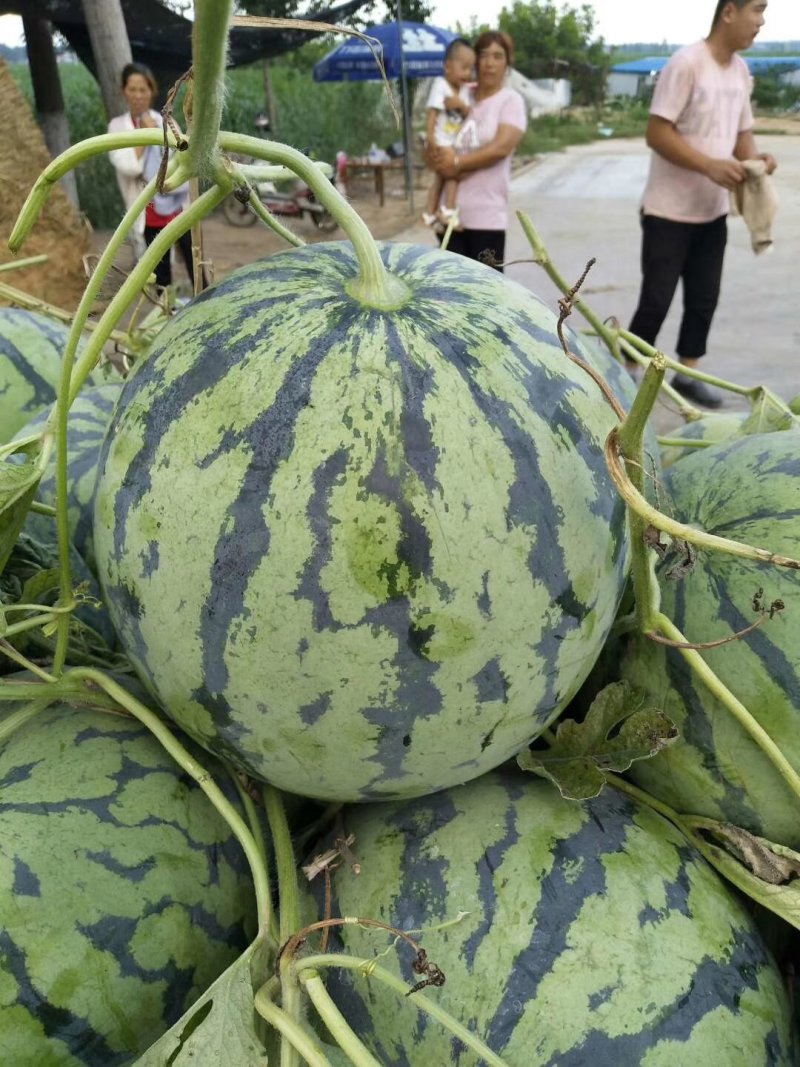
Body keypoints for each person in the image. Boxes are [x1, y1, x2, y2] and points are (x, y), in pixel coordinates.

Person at [627, 0, 777, 408]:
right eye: (758, 10)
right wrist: (709, 165)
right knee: (656, 300)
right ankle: (625, 373)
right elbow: (657, 133)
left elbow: (741, 134)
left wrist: (757, 160)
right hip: (667, 211)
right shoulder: (687, 63)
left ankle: (688, 371)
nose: (761, 22)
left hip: (712, 211)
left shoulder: (740, 72)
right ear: (729, 12)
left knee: (703, 298)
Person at [428, 31, 526, 273]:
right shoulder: (460, 93)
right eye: (483, 55)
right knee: (450, 296)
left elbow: (500, 148)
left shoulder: (510, 101)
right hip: (450, 217)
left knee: (486, 298)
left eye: (498, 56)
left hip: (487, 218)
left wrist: (458, 162)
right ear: (474, 60)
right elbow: (436, 129)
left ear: (507, 63)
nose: (490, 63)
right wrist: (435, 153)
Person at [108, 62, 201, 293]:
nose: (138, 96)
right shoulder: (117, 126)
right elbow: (128, 167)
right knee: (160, 271)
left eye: (143, 90)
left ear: (152, 92)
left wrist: (156, 132)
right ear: (124, 92)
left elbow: (181, 159)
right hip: (147, 211)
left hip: (175, 205)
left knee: (194, 258)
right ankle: (165, 312)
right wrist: (145, 135)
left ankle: (203, 296)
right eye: (133, 90)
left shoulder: (165, 121)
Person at [422, 38, 476, 227]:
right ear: (447, 66)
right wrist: (431, 139)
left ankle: (430, 212)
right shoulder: (441, 85)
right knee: (453, 175)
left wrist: (461, 106)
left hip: (452, 142)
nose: (468, 74)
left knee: (439, 178)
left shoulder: (464, 91)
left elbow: (468, 112)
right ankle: (448, 212)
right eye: (464, 67)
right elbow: (432, 113)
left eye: (471, 69)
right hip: (441, 141)